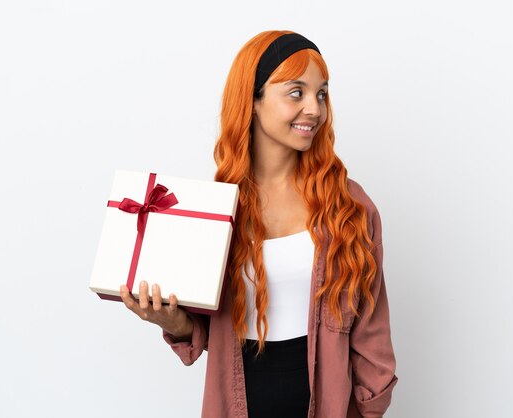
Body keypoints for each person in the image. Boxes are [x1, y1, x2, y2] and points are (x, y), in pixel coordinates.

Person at [119, 30, 398, 418]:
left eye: (321, 93)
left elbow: (372, 333)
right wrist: (172, 320)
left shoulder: (348, 207)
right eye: (296, 92)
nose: (315, 109)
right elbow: (201, 331)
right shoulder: (214, 209)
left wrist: (369, 410)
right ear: (253, 99)